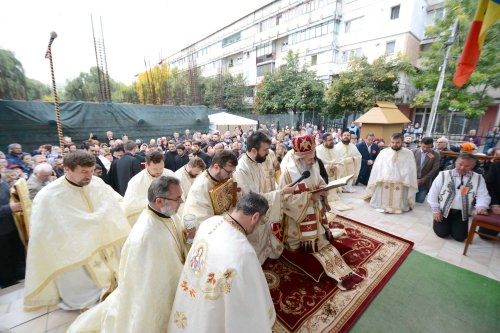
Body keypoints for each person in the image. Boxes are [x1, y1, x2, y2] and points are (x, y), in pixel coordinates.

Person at [68, 176, 188, 333]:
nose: (182, 202)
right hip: (152, 294)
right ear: (159, 202)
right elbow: (149, 281)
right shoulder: (146, 236)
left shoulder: (169, 215)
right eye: (177, 198)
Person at [24, 151, 130, 310]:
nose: (89, 176)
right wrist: (86, 226)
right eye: (84, 172)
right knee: (79, 281)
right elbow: (44, 231)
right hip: (73, 247)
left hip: (103, 241)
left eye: (92, 170)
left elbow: (115, 203)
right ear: (67, 169)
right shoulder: (49, 195)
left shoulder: (97, 183)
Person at [167, 192, 275, 333]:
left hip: (191, 294)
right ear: (255, 217)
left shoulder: (209, 222)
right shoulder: (244, 251)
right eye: (260, 221)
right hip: (214, 307)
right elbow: (252, 294)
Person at [278, 134, 364, 290]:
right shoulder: (288, 173)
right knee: (302, 247)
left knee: (323, 240)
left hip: (314, 212)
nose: (313, 161)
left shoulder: (314, 165)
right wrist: (310, 197)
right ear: (299, 159)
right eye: (310, 159)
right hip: (297, 221)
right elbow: (284, 200)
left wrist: (324, 190)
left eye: (313, 157)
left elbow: (319, 181)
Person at [233, 131, 295, 264]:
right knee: (254, 241)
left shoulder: (258, 162)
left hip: (260, 206)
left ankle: (261, 257)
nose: (268, 153)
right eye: (265, 150)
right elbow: (251, 198)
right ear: (254, 150)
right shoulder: (242, 169)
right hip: (249, 213)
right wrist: (281, 193)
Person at [428, 153, 490, 241]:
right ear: (456, 162)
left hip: (462, 213)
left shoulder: (479, 178)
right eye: (460, 164)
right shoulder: (443, 175)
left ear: (473, 166)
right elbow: (433, 193)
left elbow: (483, 195)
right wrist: (436, 210)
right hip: (443, 211)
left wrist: (481, 206)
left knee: (460, 237)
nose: (462, 168)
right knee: (442, 233)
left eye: (467, 166)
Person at [365, 133, 418, 213]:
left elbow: (411, 168)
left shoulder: (408, 153)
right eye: (393, 142)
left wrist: (404, 176)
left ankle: (398, 207)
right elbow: (377, 167)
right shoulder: (383, 152)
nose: (395, 144)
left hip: (401, 180)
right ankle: (382, 206)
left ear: (402, 142)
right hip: (385, 179)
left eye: (397, 142)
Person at [182, 150, 238, 226]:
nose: (231, 176)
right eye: (229, 172)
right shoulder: (200, 189)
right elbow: (205, 223)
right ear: (216, 167)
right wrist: (231, 214)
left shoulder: (223, 178)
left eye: (233, 172)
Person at [123, 151, 176, 226]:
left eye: (161, 168)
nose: (159, 171)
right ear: (146, 165)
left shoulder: (170, 174)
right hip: (148, 221)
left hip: (170, 217)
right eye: (155, 169)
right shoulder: (136, 181)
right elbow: (129, 206)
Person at [315, 133, 351, 210]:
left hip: (334, 174)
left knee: (333, 193)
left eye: (333, 139)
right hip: (324, 176)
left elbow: (341, 162)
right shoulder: (318, 150)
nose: (332, 141)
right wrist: (328, 167)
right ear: (324, 141)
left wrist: (337, 167)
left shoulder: (336, 150)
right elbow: (317, 165)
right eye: (330, 140)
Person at [0, 175, 24, 288]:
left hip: (12, 225)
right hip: (2, 231)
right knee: (4, 257)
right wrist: (9, 208)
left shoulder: (3, 181)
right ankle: (7, 281)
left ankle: (18, 275)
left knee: (16, 252)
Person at [412, 137, 441, 203]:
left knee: (419, 201)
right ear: (420, 144)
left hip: (425, 182)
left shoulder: (436, 154)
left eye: (428, 147)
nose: (425, 149)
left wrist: (423, 179)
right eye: (423, 146)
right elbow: (408, 167)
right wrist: (414, 179)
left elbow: (435, 169)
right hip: (412, 180)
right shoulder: (413, 152)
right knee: (410, 200)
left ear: (431, 145)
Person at [479, 157, 500, 239]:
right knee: (485, 235)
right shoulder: (496, 166)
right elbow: (488, 185)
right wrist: (495, 204)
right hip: (497, 204)